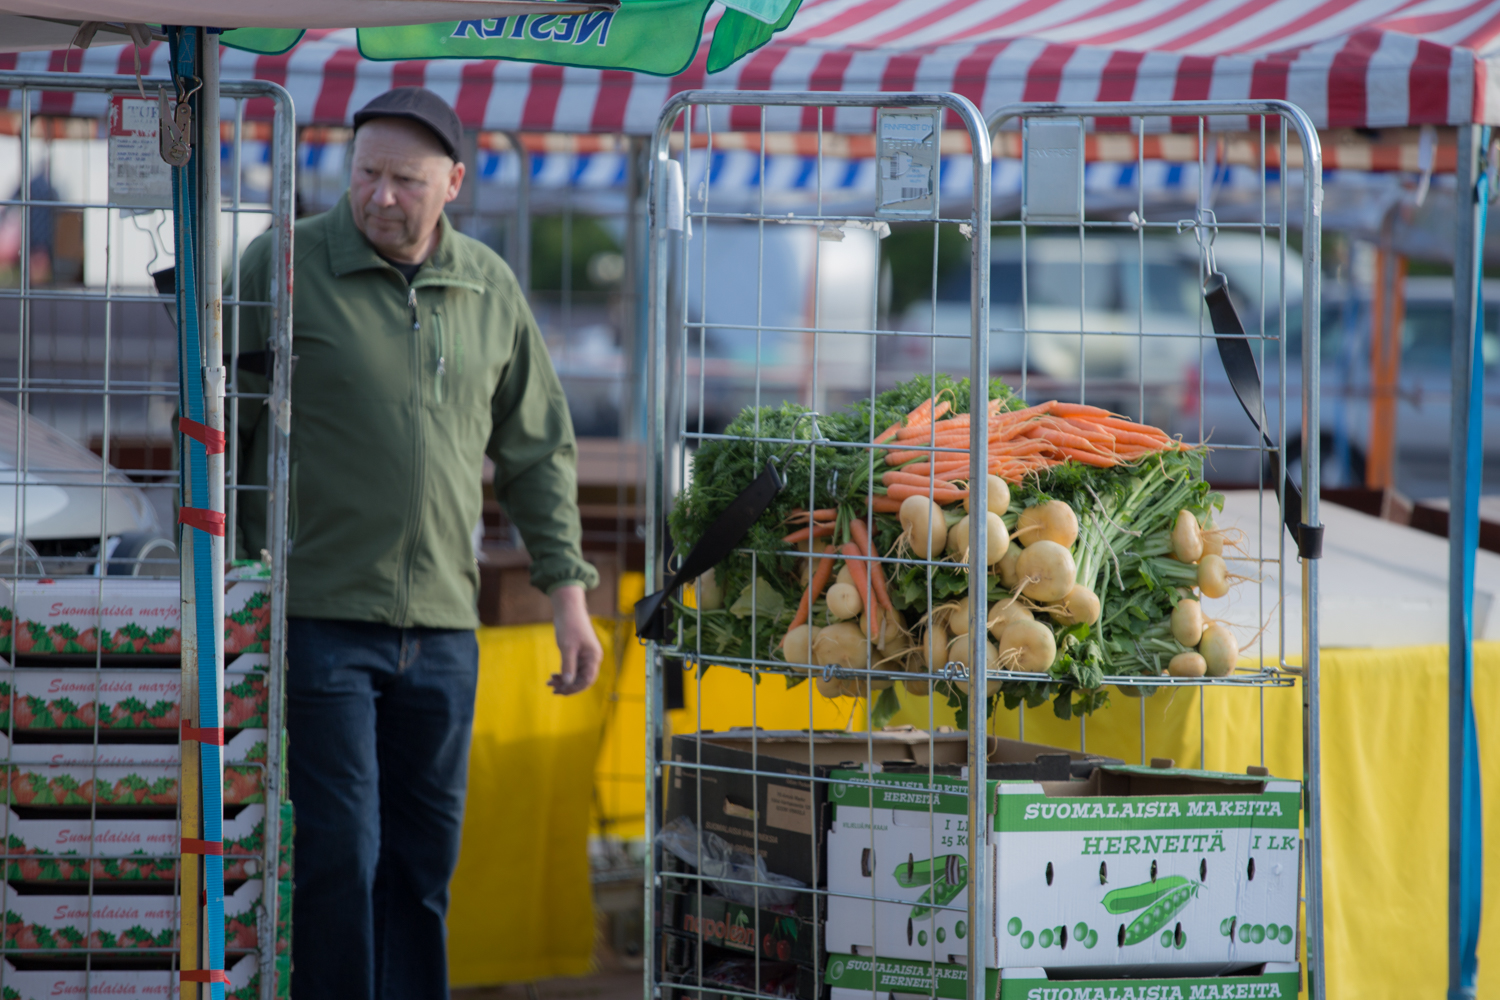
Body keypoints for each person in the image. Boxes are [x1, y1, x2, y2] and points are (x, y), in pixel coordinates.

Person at [235, 87, 604, 1000]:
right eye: (365, 174)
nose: (381, 196)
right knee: (341, 853)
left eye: (406, 180)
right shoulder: (283, 265)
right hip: (319, 615)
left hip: (442, 627)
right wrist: (228, 581)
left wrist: (568, 598)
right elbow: (219, 427)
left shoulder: (488, 286)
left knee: (423, 864)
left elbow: (537, 452)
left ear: (454, 185)